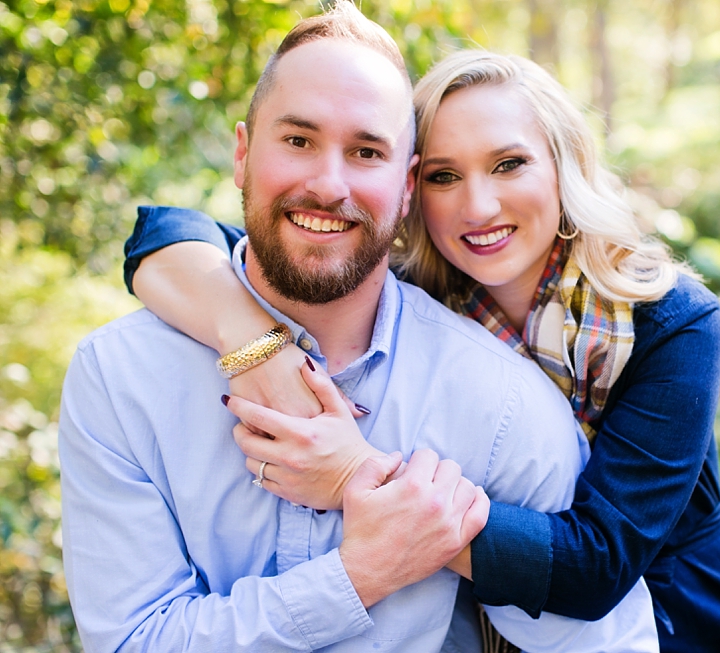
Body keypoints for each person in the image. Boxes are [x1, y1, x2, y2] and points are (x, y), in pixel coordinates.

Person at [123, 46, 720, 653]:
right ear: (410, 186)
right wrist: (254, 342)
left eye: (509, 164)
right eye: (445, 176)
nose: (478, 206)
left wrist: (353, 476)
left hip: (690, 625)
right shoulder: (407, 290)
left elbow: (599, 563)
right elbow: (169, 234)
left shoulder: (667, 322)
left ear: (563, 168)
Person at [58, 5, 661, 653]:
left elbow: (605, 639)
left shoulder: (503, 400)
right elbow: (131, 642)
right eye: (298, 140)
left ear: (406, 188)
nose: (327, 184)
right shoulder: (119, 376)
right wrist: (359, 575)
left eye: (367, 151)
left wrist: (362, 485)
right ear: (242, 154)